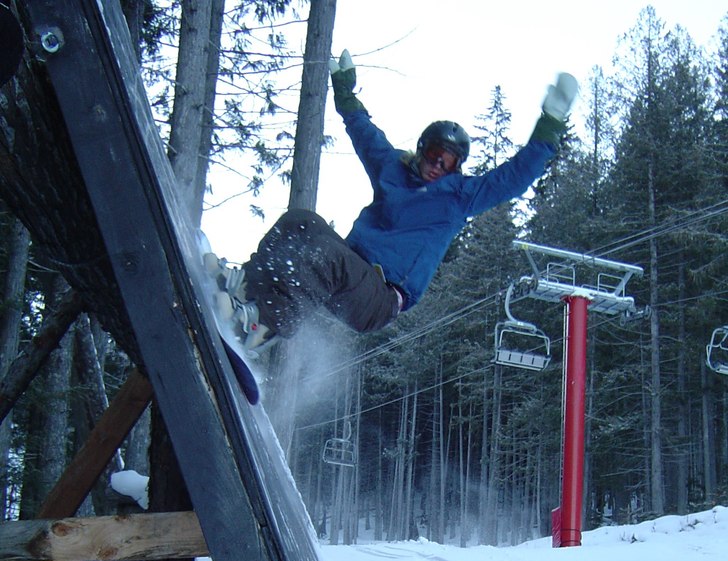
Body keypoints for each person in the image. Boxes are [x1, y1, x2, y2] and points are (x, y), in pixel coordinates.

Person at [207, 52, 577, 351]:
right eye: (434, 154)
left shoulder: (459, 197)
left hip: (380, 297)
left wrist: (550, 124)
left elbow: (512, 179)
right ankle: (246, 288)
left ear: (456, 168)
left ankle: (264, 325)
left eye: (448, 162)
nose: (437, 166)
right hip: (349, 270)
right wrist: (346, 93)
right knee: (300, 221)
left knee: (326, 255)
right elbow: (365, 133)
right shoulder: (392, 168)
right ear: (421, 150)